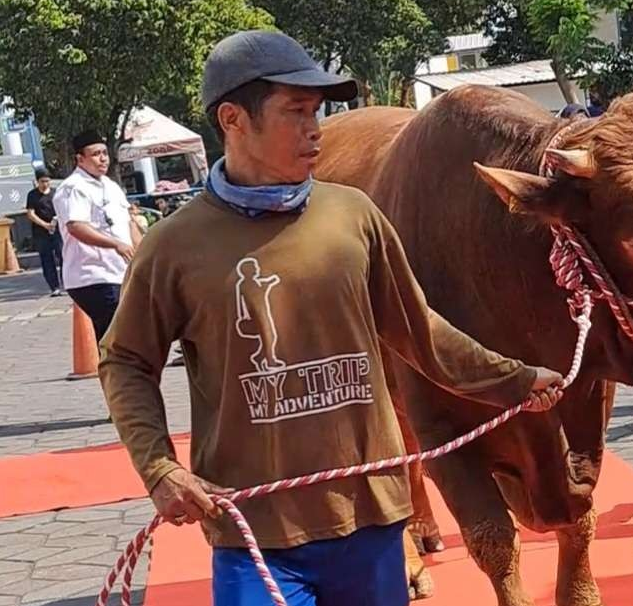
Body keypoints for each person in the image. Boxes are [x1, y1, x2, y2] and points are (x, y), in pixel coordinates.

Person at [98, 30, 564, 606]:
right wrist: (159, 468)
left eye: (317, 112)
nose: (315, 129)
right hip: (256, 531)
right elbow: (123, 361)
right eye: (295, 112)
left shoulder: (353, 216)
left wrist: (516, 380)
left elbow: (419, 332)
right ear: (233, 119)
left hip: (369, 521)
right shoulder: (174, 245)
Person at [52, 130, 141, 341]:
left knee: (127, 338)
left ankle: (121, 372)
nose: (102, 159)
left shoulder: (111, 186)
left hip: (121, 273)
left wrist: (144, 251)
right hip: (93, 277)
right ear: (80, 159)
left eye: (104, 153)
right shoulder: (73, 188)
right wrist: (115, 244)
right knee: (119, 340)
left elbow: (128, 224)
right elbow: (76, 226)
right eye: (95, 154)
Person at [25, 169, 64, 296]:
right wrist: (45, 225)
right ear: (37, 182)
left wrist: (56, 220)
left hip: (57, 229)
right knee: (47, 259)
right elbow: (31, 214)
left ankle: (67, 283)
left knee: (63, 256)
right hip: (41, 231)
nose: (45, 184)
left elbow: (62, 209)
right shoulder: (32, 195)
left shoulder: (55, 193)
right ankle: (54, 287)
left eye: (47, 181)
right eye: (42, 181)